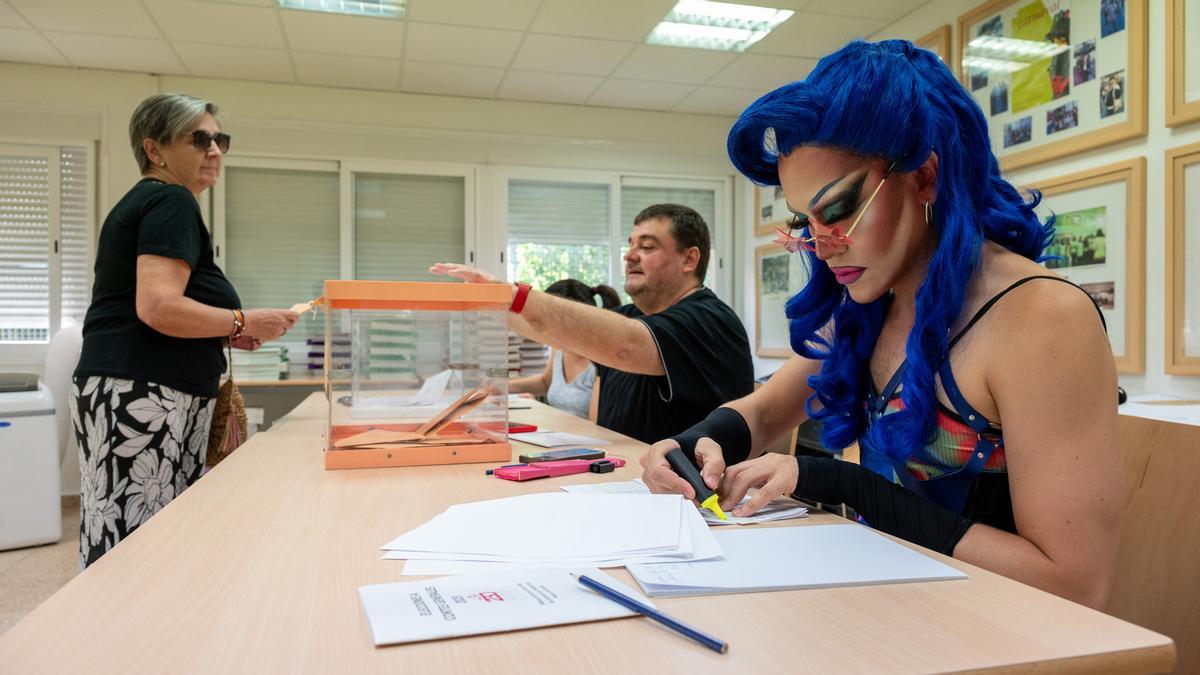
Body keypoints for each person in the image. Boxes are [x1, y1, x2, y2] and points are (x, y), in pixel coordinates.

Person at [640, 40, 1121, 610]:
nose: (820, 245)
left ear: (924, 178)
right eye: (804, 220)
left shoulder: (1042, 319)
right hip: (891, 610)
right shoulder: (872, 304)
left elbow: (1074, 585)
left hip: (1004, 635)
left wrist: (834, 482)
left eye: (839, 209)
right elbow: (768, 410)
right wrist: (692, 443)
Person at [71, 94, 299, 568]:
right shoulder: (169, 199)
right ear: (155, 150)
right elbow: (157, 306)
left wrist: (225, 333)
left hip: (141, 384)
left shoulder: (156, 202)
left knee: (129, 525)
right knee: (139, 539)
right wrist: (242, 320)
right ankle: (125, 634)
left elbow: (159, 311)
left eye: (220, 139)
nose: (214, 150)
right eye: (199, 139)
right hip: (144, 391)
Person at [431, 203, 754, 443]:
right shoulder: (632, 316)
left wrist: (514, 294)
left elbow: (626, 345)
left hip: (697, 494)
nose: (629, 255)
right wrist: (491, 304)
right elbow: (556, 335)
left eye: (647, 246)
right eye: (630, 245)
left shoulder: (707, 320)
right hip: (627, 474)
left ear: (690, 259)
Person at [508, 279, 620, 419]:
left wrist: (540, 410)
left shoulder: (601, 363)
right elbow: (545, 382)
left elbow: (596, 428)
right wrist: (504, 386)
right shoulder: (559, 348)